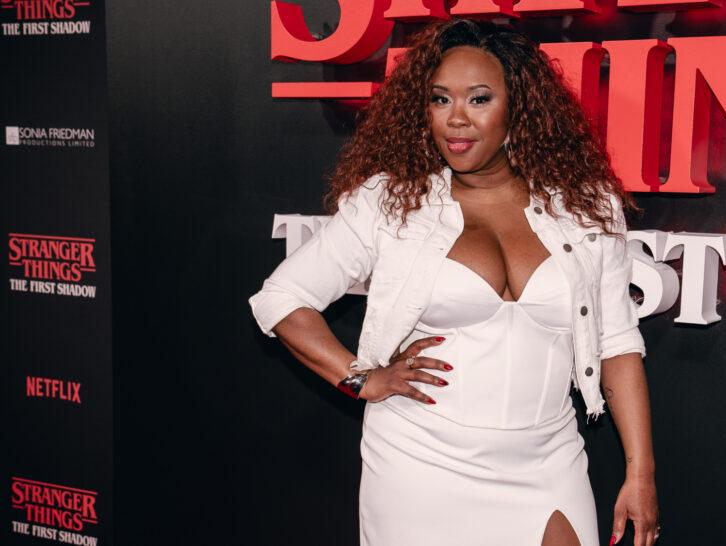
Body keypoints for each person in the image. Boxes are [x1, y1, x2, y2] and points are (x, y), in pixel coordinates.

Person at [250, 18, 658, 546]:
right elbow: (281, 298)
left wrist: (641, 472)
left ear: (520, 107)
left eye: (479, 99)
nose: (456, 119)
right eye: (440, 99)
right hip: (420, 462)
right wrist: (361, 379)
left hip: (548, 459)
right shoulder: (392, 203)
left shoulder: (585, 207)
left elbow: (617, 343)